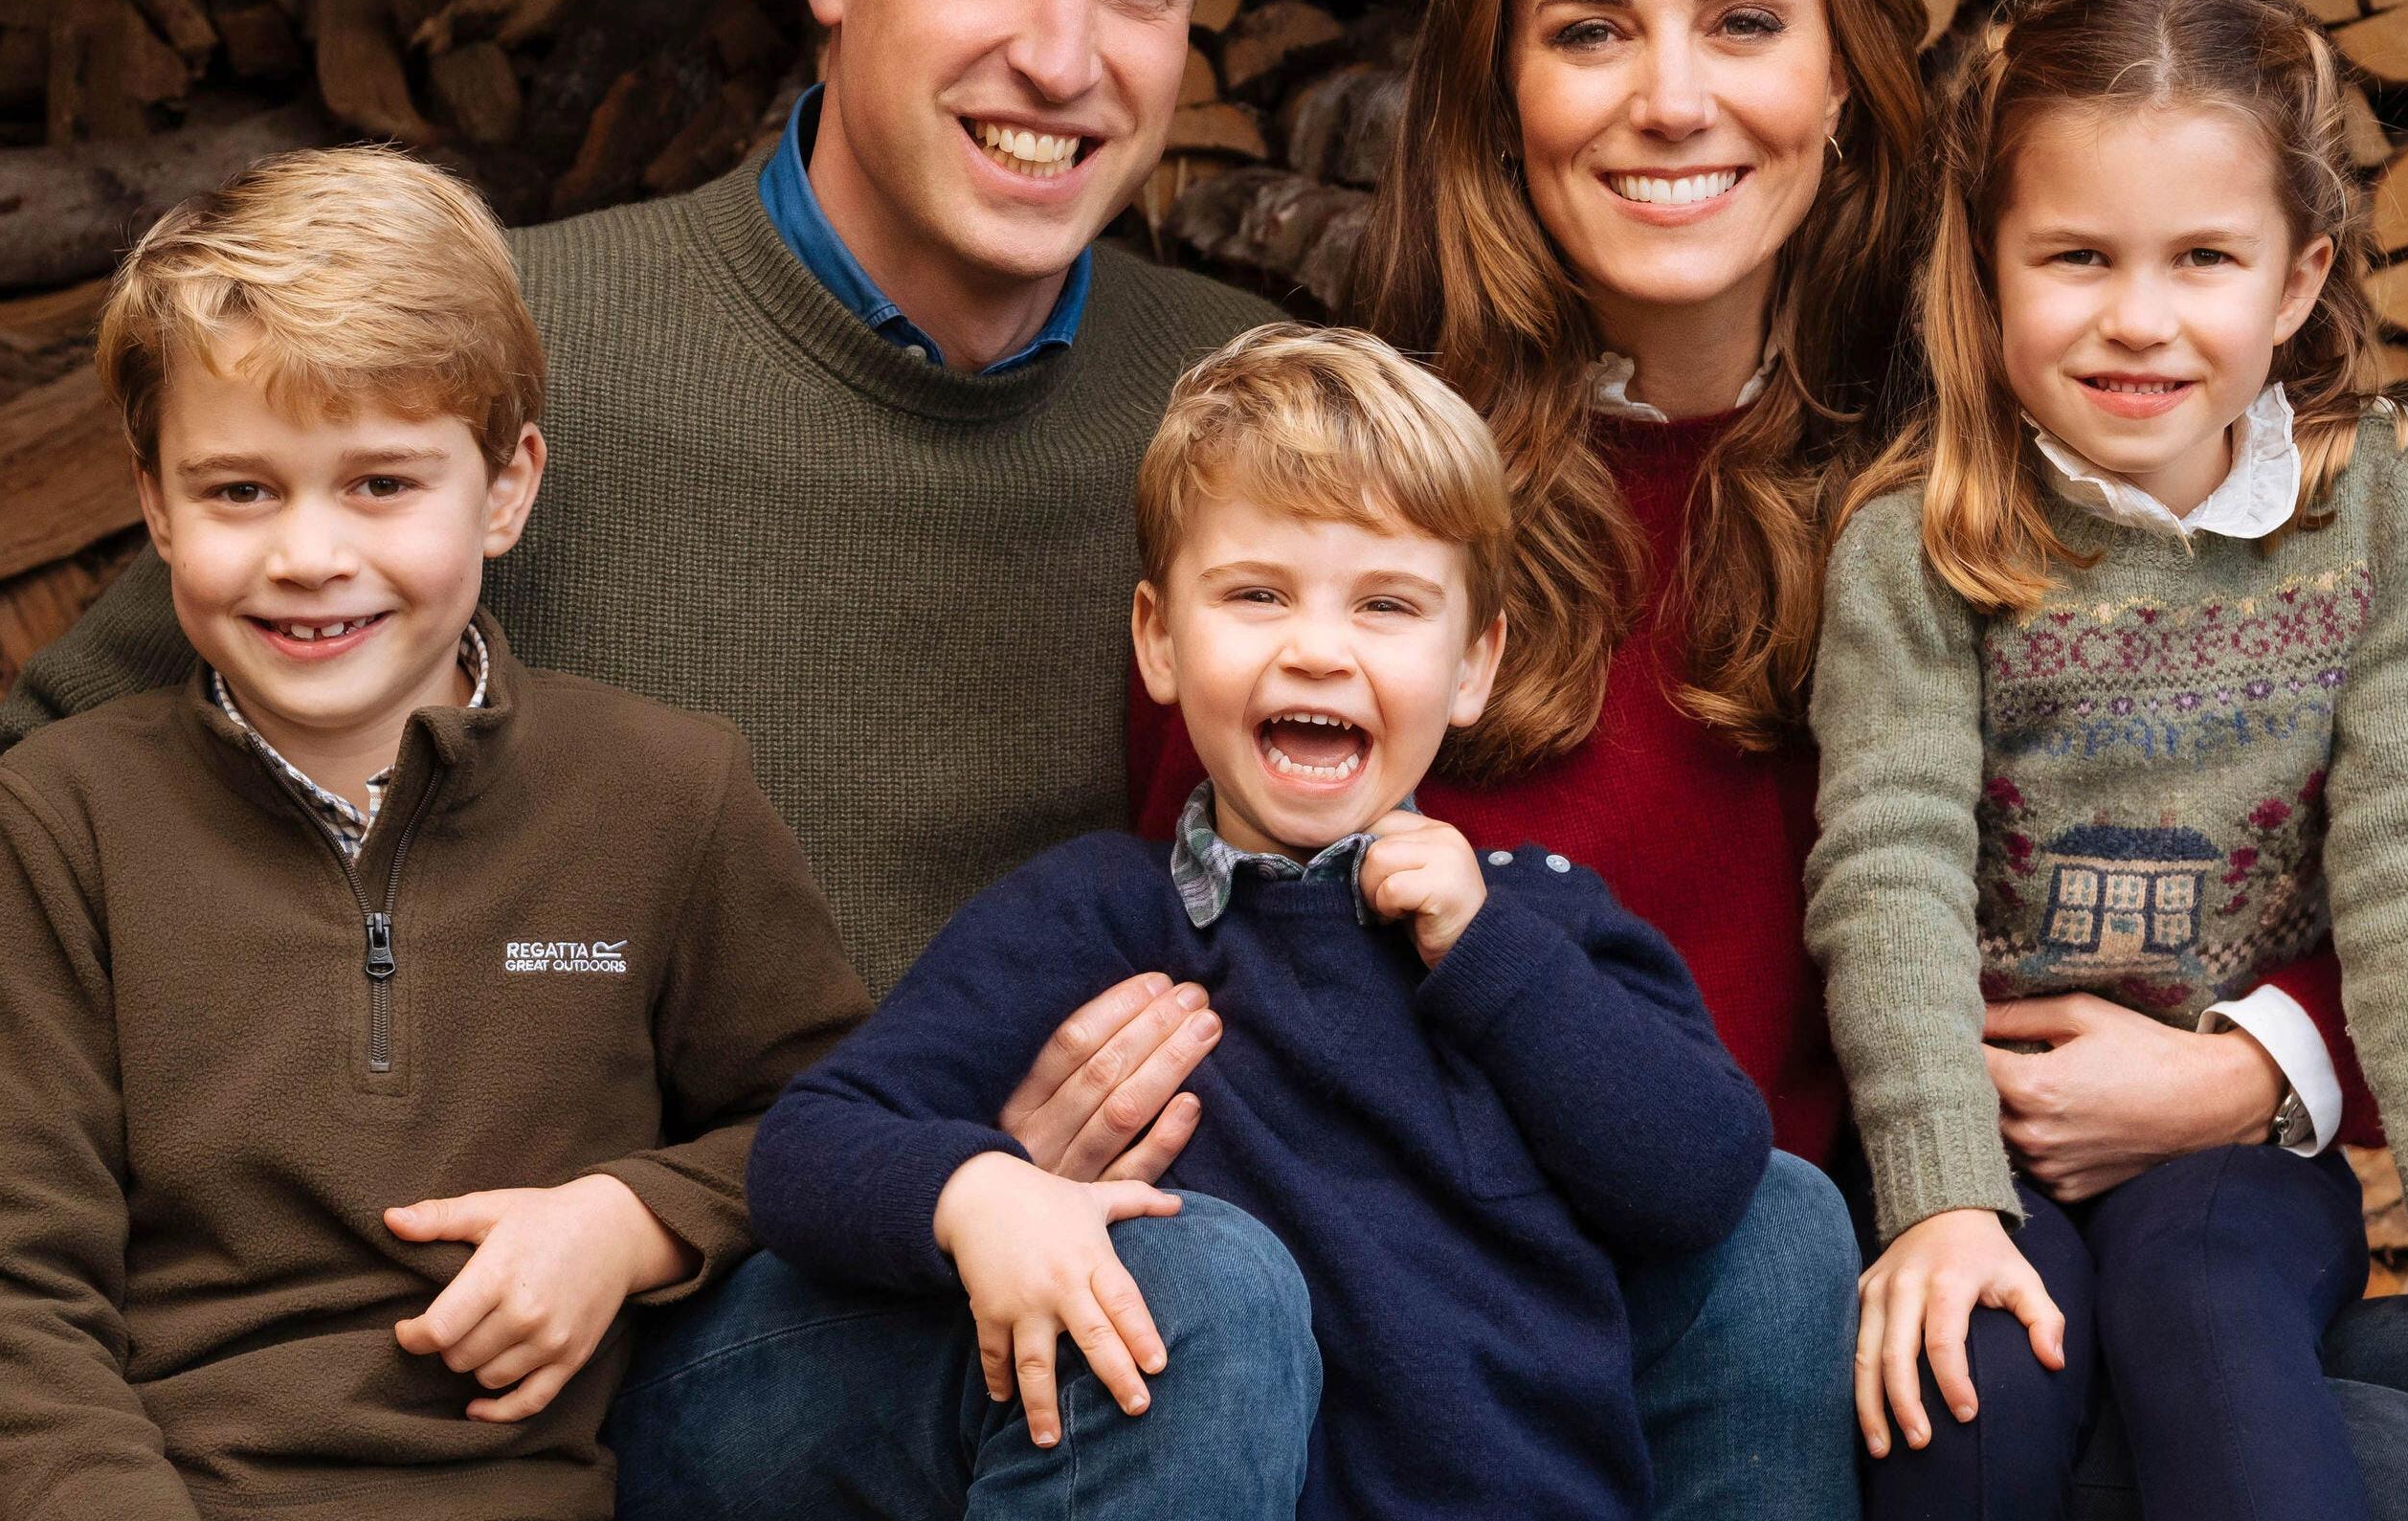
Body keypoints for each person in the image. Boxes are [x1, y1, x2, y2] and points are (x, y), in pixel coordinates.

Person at [0, 0, 1855, 1516]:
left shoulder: (1227, 404)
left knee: (1751, 1223)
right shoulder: (533, 366)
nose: (1060, 55)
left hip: (1163, 1221)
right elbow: (89, 765)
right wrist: (52, 1303)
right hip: (691, 1312)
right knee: (1183, 1302)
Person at [1137, 0, 2408, 1519]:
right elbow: (1198, 895)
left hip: (2025, 1253)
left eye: (1743, 22)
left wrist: (2224, 1072)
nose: (1671, 99)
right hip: (1641, 1334)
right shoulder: (1370, 502)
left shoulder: (2020, 427)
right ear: (1498, 89)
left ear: (1843, 78)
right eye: (1589, 31)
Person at [1807, 0, 2408, 1521]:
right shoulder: (1923, 542)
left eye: (2204, 258)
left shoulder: (2387, 508)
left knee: (2208, 1303)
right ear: (1988, 259)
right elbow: (1883, 866)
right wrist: (1944, 1191)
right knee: (1979, 1376)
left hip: (2232, 1155)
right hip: (1986, 1123)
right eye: (2079, 255)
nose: (2139, 319)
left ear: (2296, 279)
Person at [0, 149, 877, 1520]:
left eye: (380, 485)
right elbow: (4, 1282)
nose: (309, 554)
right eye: (242, 490)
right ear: (155, 502)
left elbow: (830, 1114)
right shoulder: (63, 820)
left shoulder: (668, 796)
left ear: (505, 487)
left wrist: (631, 1220)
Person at [750, 324, 1775, 1519]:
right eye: (1255, 594)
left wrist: (1488, 956)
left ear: (1472, 665)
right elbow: (808, 1146)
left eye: (1387, 605)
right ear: (1159, 639)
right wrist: (978, 1191)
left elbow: (1707, 1180)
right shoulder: (1094, 915)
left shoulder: (1536, 917)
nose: (1317, 649)